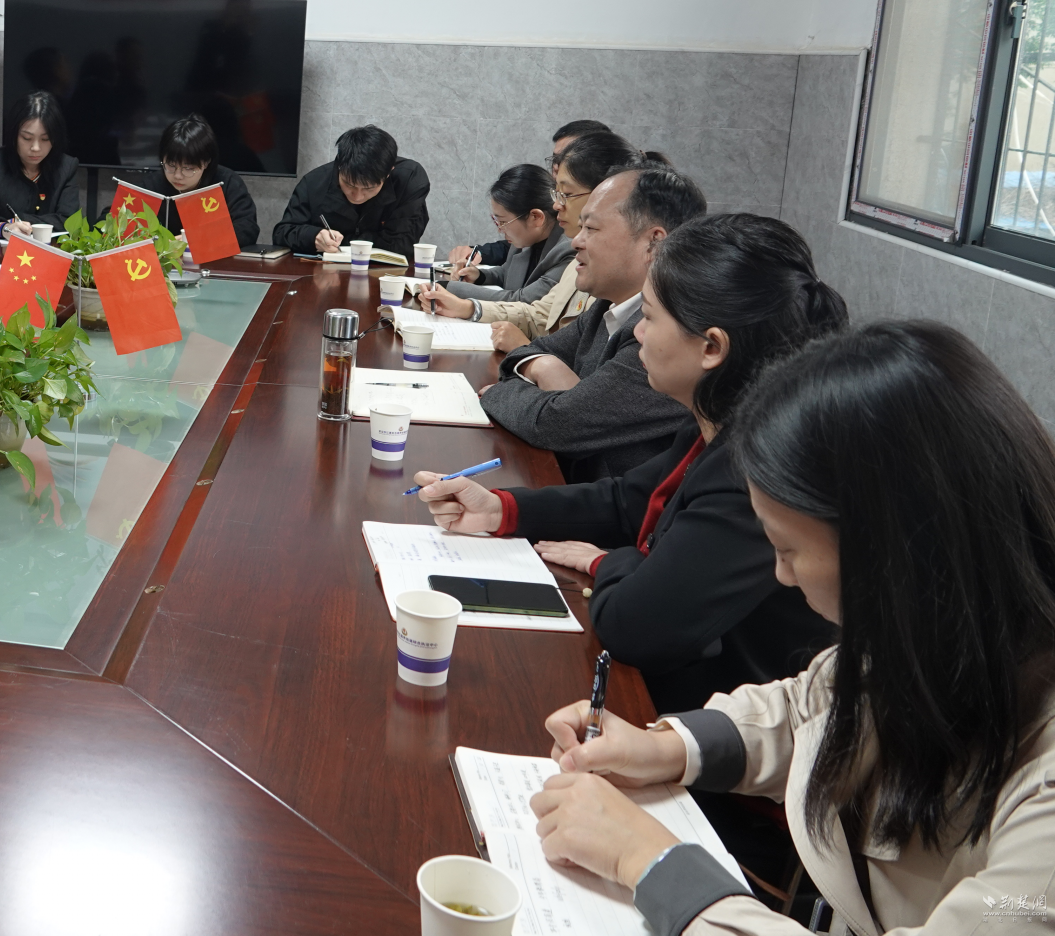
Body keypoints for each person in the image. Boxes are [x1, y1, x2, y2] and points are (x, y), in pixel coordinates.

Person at [525, 322, 1055, 936]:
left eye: (787, 549)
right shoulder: (951, 632)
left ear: (890, 551)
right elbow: (813, 705)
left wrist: (650, 862)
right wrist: (664, 748)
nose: (780, 574)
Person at [418, 214, 842, 713]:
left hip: (709, 719)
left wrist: (609, 561)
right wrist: (503, 510)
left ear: (712, 346)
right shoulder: (714, 420)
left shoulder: (757, 471)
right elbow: (627, 499)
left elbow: (636, 627)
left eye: (651, 318)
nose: (637, 331)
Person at [478, 159, 703, 482]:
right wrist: (545, 366)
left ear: (654, 243)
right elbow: (526, 355)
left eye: (591, 229)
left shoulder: (667, 334)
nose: (575, 241)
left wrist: (500, 394)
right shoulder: (608, 307)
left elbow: (557, 425)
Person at [423, 131, 637, 351]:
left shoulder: (577, 255)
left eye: (565, 194)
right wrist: (470, 306)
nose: (556, 205)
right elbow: (540, 315)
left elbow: (579, 360)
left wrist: (528, 353)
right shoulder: (569, 254)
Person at [448, 120, 612, 278]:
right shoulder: (543, 223)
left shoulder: (578, 245)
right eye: (555, 159)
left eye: (566, 159)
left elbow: (534, 297)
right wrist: (481, 255)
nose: (556, 167)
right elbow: (514, 252)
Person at [102, 114, 260, 248]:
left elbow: (247, 229)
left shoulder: (226, 181)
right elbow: (108, 220)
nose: (177, 175)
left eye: (188, 168)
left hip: (215, 265)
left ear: (206, 162)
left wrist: (190, 240)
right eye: (170, 165)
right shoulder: (154, 183)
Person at [272, 125, 429, 259]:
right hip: (326, 274)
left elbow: (402, 243)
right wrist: (313, 237)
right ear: (339, 166)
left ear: (389, 173)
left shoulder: (409, 180)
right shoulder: (314, 182)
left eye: (369, 188)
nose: (357, 196)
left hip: (388, 274)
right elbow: (281, 234)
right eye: (349, 185)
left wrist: (345, 242)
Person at [441, 165, 573, 306]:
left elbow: (523, 300)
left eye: (503, 222)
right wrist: (479, 276)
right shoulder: (525, 240)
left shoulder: (568, 250)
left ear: (535, 217)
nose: (500, 229)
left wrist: (450, 288)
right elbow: (507, 273)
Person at [0, 90, 82, 240]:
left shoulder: (66, 166)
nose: (35, 148)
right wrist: (4, 228)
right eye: (27, 138)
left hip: (49, 251)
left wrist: (16, 221)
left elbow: (69, 221)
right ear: (14, 135)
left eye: (45, 139)